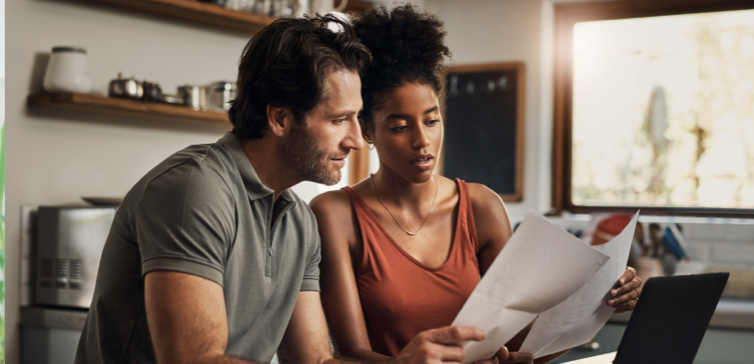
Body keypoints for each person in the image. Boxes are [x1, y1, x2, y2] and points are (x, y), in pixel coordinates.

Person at [74, 14, 490, 364]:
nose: (355, 139)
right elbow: (196, 360)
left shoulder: (296, 219)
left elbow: (316, 361)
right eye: (338, 120)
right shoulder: (194, 189)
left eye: (357, 118)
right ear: (279, 118)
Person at [310, 5, 643, 364]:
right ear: (367, 130)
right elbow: (351, 353)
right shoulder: (336, 214)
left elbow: (521, 345)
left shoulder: (481, 206)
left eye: (432, 120)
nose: (423, 140)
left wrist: (601, 303)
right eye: (400, 126)